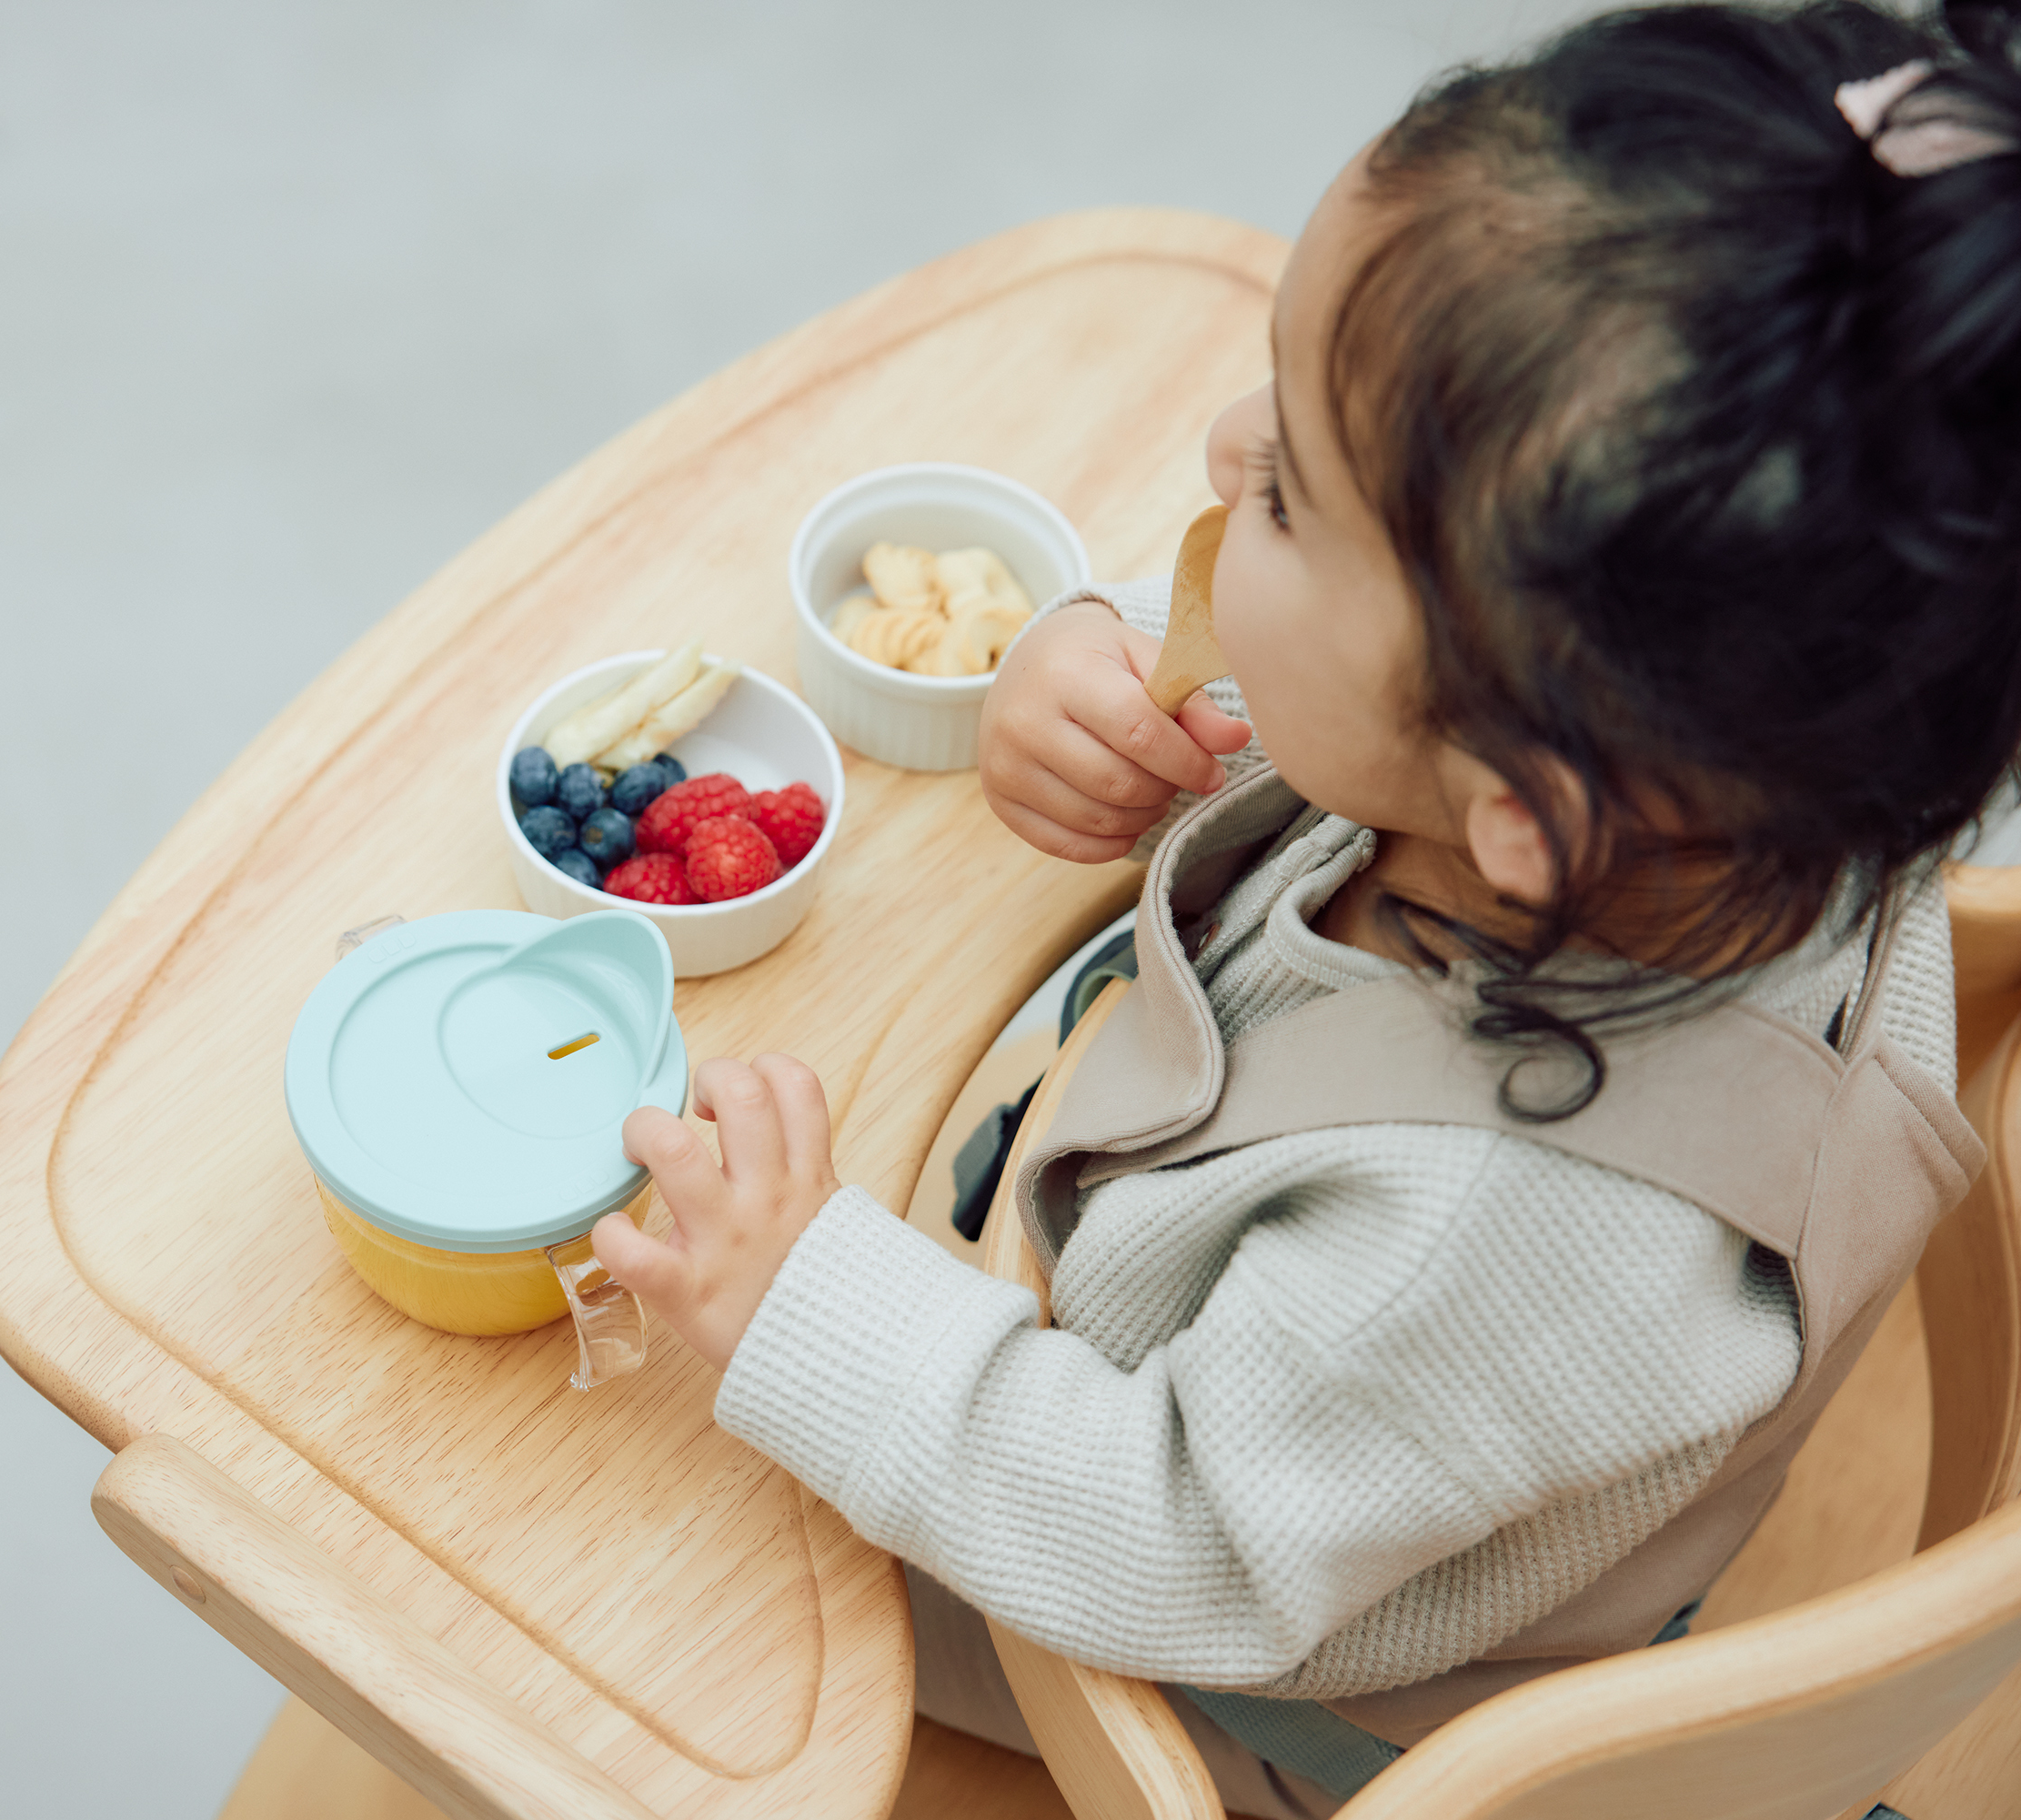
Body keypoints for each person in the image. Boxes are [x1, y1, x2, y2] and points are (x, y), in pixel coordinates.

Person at [588, 2, 2021, 1812]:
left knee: (602, 1524)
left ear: (1523, 810)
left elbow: (1153, 1532)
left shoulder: (1474, 1242)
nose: (1217, 443)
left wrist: (806, 1303)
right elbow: (1388, 701)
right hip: (1352, 1420)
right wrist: (1110, 655)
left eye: (1288, 491)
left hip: (1198, 1653)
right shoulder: (1773, 773)